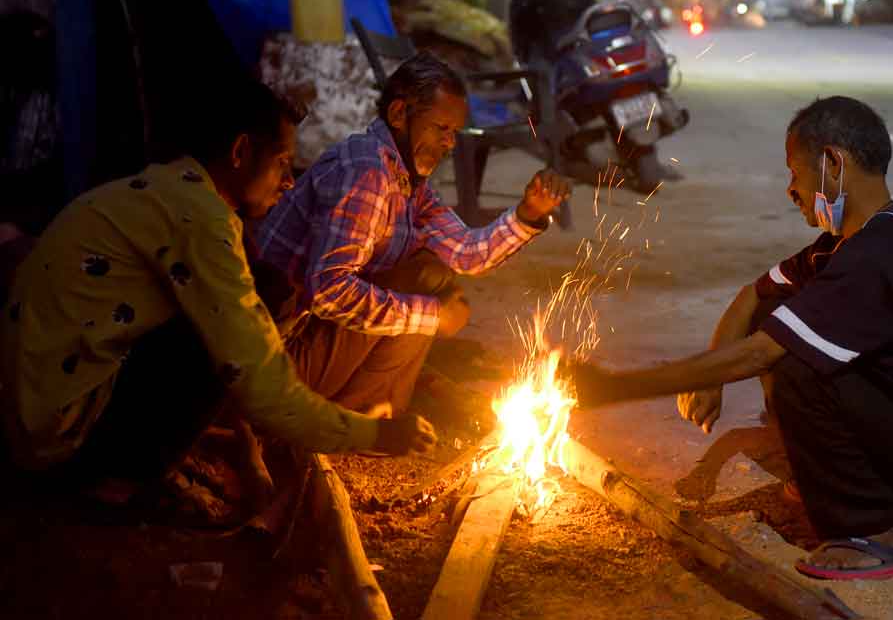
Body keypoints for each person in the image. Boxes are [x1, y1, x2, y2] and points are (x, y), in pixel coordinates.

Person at [568, 97, 893, 580]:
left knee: (793, 358)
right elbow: (752, 297)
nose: (791, 189)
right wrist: (712, 373)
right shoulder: (850, 241)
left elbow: (758, 354)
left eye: (795, 172)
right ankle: (838, 476)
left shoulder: (886, 252)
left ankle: (884, 532)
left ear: (832, 163)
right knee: (779, 316)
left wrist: (617, 387)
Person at [0, 81, 436, 497]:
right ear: (240, 152)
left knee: (253, 294)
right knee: (226, 334)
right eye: (283, 162)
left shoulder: (171, 189)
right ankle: (115, 483)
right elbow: (257, 375)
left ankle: (137, 456)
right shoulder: (202, 222)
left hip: (34, 417)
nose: (289, 181)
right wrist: (376, 432)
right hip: (60, 442)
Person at [254, 51, 570, 422]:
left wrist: (528, 215)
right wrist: (432, 316)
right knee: (425, 290)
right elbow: (329, 292)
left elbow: (466, 254)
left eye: (454, 133)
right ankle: (357, 421)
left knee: (432, 275)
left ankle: (368, 409)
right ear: (399, 114)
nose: (450, 143)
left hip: (305, 344)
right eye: (441, 129)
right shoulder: (367, 172)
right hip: (275, 364)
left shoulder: (406, 179)